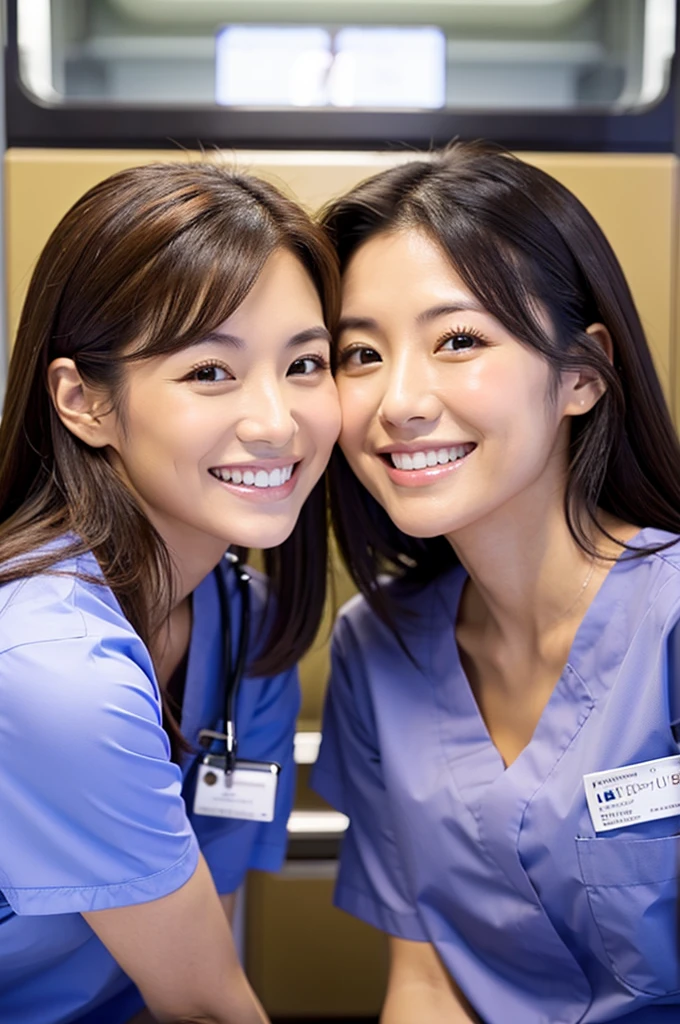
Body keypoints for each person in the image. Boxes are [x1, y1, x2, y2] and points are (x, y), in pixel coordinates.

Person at [312, 142, 680, 1023]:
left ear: (581, 377)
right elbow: (426, 979)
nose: (399, 399)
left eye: (459, 340)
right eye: (359, 354)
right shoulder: (378, 646)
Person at [0, 162, 341, 1024]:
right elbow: (206, 1005)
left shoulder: (246, 628)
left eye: (306, 363)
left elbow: (200, 956)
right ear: (84, 401)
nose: (277, 422)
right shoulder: (53, 670)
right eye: (209, 373)